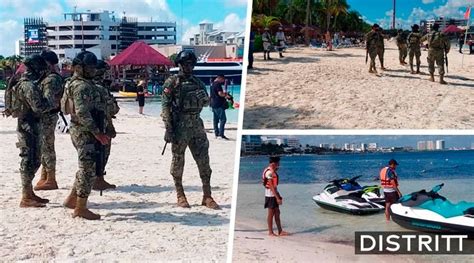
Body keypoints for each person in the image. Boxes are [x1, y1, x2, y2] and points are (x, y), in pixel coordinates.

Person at [161, 50, 219, 209]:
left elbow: (207, 103)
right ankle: (180, 194)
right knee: (178, 161)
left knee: (204, 161)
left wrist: (203, 98)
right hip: (179, 126)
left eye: (191, 64)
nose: (188, 67)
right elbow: (165, 106)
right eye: (185, 64)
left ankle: (207, 195)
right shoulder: (171, 83)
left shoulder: (198, 82)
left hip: (197, 125)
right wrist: (168, 127)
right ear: (179, 64)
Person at [61, 51, 109, 220]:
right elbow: (82, 112)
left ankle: (72, 199)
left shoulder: (72, 83)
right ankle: (80, 207)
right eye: (89, 67)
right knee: (87, 169)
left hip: (80, 129)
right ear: (80, 68)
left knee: (85, 165)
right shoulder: (81, 86)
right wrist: (97, 133)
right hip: (85, 131)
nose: (93, 71)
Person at [11, 55, 51, 207]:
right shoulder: (28, 86)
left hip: (27, 123)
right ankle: (26, 196)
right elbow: (39, 107)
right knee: (30, 159)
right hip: (29, 125)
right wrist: (51, 102)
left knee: (33, 158)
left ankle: (29, 193)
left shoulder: (21, 82)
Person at [33, 50, 63, 191]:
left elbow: (49, 101)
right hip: (47, 116)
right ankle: (44, 176)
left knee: (47, 147)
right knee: (44, 147)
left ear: (48, 63)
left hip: (47, 117)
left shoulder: (51, 79)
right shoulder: (49, 77)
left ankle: (51, 179)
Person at [92, 60, 119, 191]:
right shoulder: (100, 88)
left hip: (89, 125)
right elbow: (112, 108)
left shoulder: (87, 85)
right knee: (102, 153)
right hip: (102, 125)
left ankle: (97, 178)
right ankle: (98, 179)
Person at [262, 156, 288, 236]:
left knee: (277, 212)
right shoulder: (269, 172)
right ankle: (270, 232)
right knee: (271, 213)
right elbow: (271, 186)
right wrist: (277, 198)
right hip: (270, 195)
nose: (279, 165)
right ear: (274, 163)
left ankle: (280, 231)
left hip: (274, 194)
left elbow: (274, 186)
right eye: (278, 163)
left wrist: (278, 195)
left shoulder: (272, 171)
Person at [210, 74, 230, 140]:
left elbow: (212, 95)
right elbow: (220, 94)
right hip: (218, 104)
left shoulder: (212, 84)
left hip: (213, 104)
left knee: (215, 120)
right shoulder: (218, 84)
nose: (223, 81)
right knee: (223, 119)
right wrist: (226, 95)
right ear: (220, 78)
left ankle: (216, 134)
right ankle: (221, 135)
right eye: (223, 80)